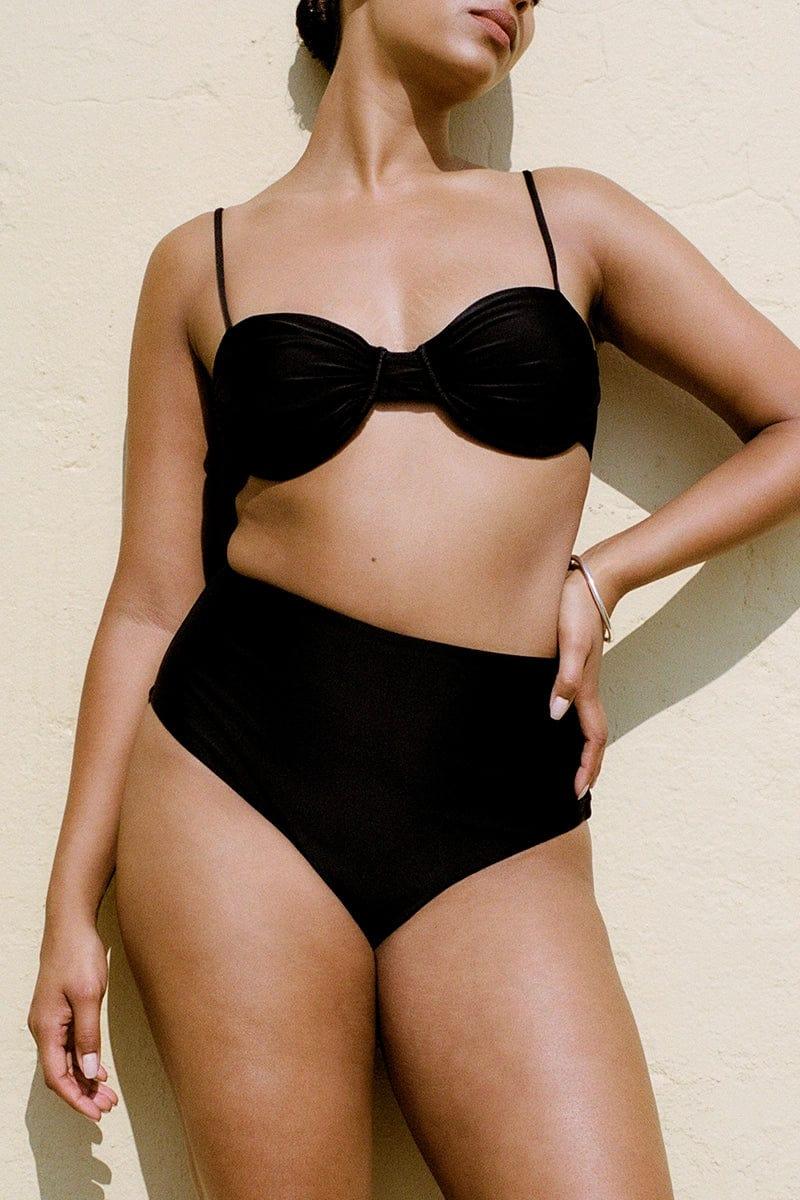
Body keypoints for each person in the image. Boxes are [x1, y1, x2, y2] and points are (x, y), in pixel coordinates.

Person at [27, 1, 800, 1197]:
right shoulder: (201, 260)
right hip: (235, 786)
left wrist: (603, 575)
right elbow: (149, 603)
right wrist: (71, 907)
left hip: (497, 803)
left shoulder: (568, 218)